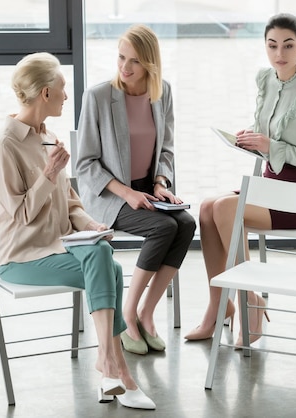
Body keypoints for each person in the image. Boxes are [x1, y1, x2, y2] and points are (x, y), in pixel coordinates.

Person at [0, 52, 155, 410]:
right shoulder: (3, 146)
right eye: (62, 88)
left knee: (101, 252)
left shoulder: (48, 137)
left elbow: (71, 200)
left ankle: (110, 366)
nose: (65, 95)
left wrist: (91, 225)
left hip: (58, 245)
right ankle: (116, 367)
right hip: (20, 257)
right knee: (109, 265)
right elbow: (19, 217)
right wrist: (48, 175)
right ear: (45, 93)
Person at [185, 13, 296, 346]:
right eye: (272, 45)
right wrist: (252, 139)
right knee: (208, 208)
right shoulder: (267, 81)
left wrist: (274, 146)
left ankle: (250, 299)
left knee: (226, 209)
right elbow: (270, 141)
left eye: (287, 45)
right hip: (270, 189)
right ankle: (219, 306)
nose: (279, 53)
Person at [76, 24, 196, 355]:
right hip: (110, 196)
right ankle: (127, 313)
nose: (125, 67)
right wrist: (126, 193)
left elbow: (167, 150)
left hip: (147, 189)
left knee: (186, 224)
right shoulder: (98, 97)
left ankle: (146, 312)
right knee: (163, 227)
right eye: (120, 57)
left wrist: (161, 182)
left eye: (134, 61)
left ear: (150, 65)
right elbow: (84, 163)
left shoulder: (163, 93)